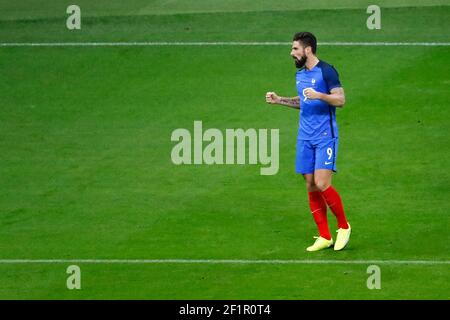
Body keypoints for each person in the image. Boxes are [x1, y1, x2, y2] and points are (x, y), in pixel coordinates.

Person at [265, 32, 351, 251]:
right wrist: (280, 100)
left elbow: (340, 100)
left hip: (325, 136)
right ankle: (324, 236)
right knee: (310, 184)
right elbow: (303, 102)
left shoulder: (327, 71)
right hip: (305, 137)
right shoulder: (300, 75)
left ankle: (343, 226)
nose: (291, 53)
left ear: (308, 49)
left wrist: (320, 95)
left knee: (323, 183)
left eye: (295, 49)